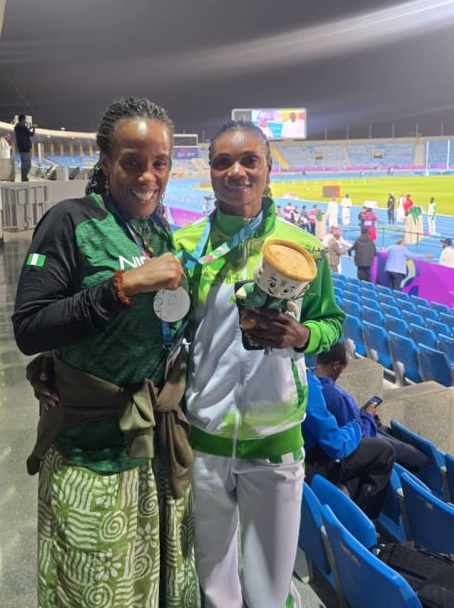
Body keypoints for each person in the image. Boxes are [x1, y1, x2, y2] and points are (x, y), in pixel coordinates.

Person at [13, 98, 199, 608]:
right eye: (132, 162)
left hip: (155, 453)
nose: (148, 177)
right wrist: (123, 286)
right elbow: (29, 327)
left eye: (160, 163)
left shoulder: (158, 230)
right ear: (105, 159)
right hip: (90, 458)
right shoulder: (69, 221)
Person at [173, 120, 344, 608]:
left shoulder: (305, 248)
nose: (237, 172)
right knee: (214, 583)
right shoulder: (186, 246)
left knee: (269, 588)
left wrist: (304, 336)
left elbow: (331, 322)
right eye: (223, 162)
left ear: (269, 169)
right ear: (210, 171)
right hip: (204, 437)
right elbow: (172, 331)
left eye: (250, 161)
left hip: (276, 439)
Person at [313, 342, 429, 475]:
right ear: (335, 366)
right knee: (420, 458)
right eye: (343, 368)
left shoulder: (312, 385)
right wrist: (368, 415)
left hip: (359, 430)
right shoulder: (337, 396)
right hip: (361, 442)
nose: (341, 373)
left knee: (391, 433)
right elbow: (359, 435)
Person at [303, 368, 396, 519]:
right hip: (311, 464)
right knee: (384, 451)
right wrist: (357, 425)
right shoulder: (306, 383)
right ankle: (365, 519)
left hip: (299, 458)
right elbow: (336, 446)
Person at [14, 114, 36, 181]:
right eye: (25, 119)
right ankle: (24, 177)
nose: (25, 121)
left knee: (24, 163)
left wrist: (29, 128)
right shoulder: (23, 126)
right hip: (25, 147)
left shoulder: (17, 127)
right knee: (27, 164)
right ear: (23, 119)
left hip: (21, 147)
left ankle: (23, 176)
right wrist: (34, 128)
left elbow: (24, 133)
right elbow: (32, 134)